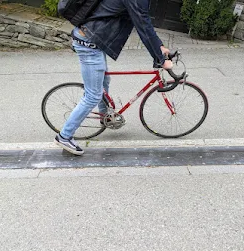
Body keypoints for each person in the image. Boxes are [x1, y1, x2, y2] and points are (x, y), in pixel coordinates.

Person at [54, 0, 173, 155]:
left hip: (93, 37)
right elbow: (143, 25)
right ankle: (64, 136)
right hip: (89, 43)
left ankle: (106, 117)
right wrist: (161, 60)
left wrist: (160, 47)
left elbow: (145, 22)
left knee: (105, 80)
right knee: (93, 96)